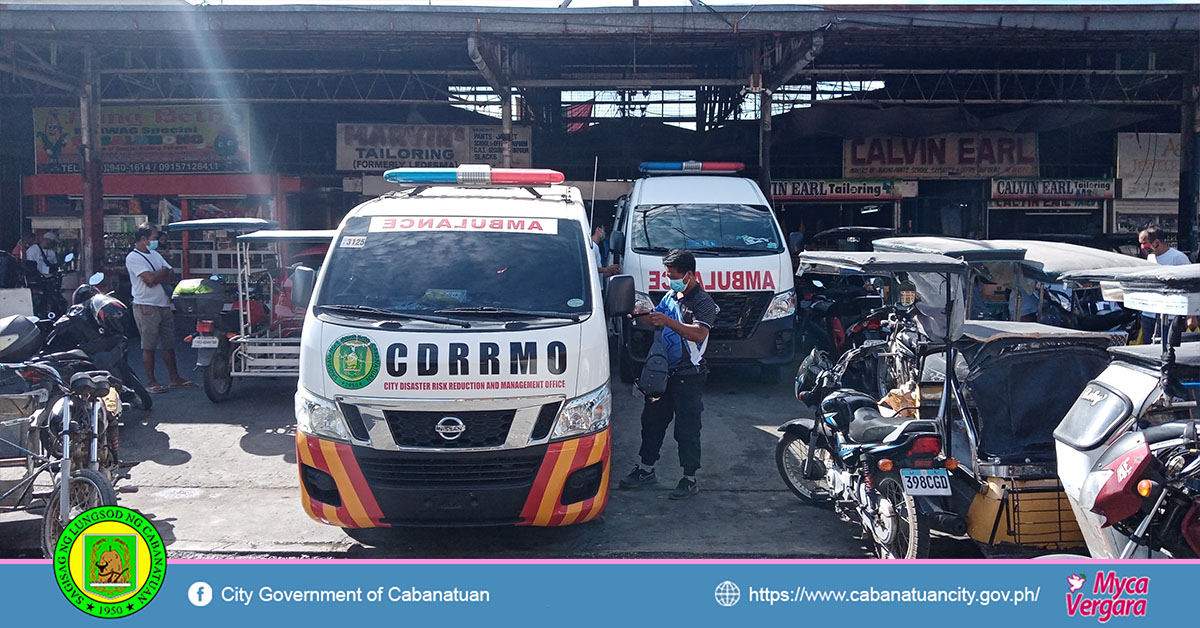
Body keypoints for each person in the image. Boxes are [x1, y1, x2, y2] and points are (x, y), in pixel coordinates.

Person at [619, 249, 719, 499]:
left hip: (689, 376)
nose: (669, 280)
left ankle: (689, 478)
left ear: (689, 275)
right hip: (664, 375)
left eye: (672, 276)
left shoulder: (703, 302)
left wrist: (667, 320)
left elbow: (698, 334)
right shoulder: (672, 295)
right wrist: (641, 315)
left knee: (687, 429)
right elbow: (656, 321)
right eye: (666, 276)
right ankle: (646, 469)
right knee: (651, 422)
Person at [125, 223, 194, 393]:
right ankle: (151, 381)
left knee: (168, 344)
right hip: (146, 306)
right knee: (148, 345)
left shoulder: (154, 254)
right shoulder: (133, 258)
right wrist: (161, 274)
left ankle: (174, 378)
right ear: (143, 239)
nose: (156, 241)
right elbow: (149, 279)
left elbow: (171, 273)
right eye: (154, 238)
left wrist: (159, 276)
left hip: (163, 304)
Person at [1138, 224, 1191, 341]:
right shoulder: (1150, 258)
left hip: (1172, 314)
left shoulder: (1178, 258)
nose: (1142, 247)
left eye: (1144, 243)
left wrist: (1191, 315)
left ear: (1156, 242)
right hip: (1149, 314)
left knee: (1170, 348)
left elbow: (1191, 287)